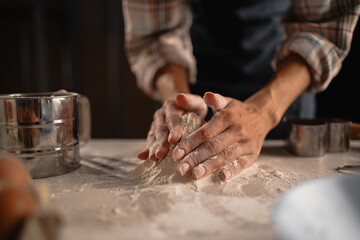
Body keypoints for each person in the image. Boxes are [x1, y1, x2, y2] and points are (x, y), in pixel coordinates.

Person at [122, 0, 360, 181]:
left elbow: (322, 27)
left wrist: (263, 112)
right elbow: (157, 35)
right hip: (196, 75)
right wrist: (179, 100)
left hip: (284, 87)